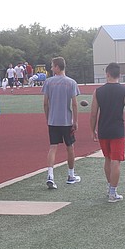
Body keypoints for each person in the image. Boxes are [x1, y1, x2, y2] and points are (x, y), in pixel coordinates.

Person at [90, 63, 125, 203]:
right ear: (119, 75)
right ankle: (112, 192)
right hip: (117, 130)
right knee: (116, 161)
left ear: (107, 74)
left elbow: (93, 114)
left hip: (104, 129)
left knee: (108, 159)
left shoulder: (98, 92)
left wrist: (93, 131)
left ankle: (110, 187)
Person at [42, 56, 81, 189]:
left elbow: (45, 103)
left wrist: (48, 118)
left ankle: (50, 176)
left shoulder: (48, 82)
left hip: (53, 121)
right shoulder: (71, 83)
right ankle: (70, 175)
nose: (51, 68)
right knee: (70, 147)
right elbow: (75, 104)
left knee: (53, 147)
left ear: (57, 67)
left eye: (52, 66)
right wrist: (75, 120)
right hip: (66, 121)